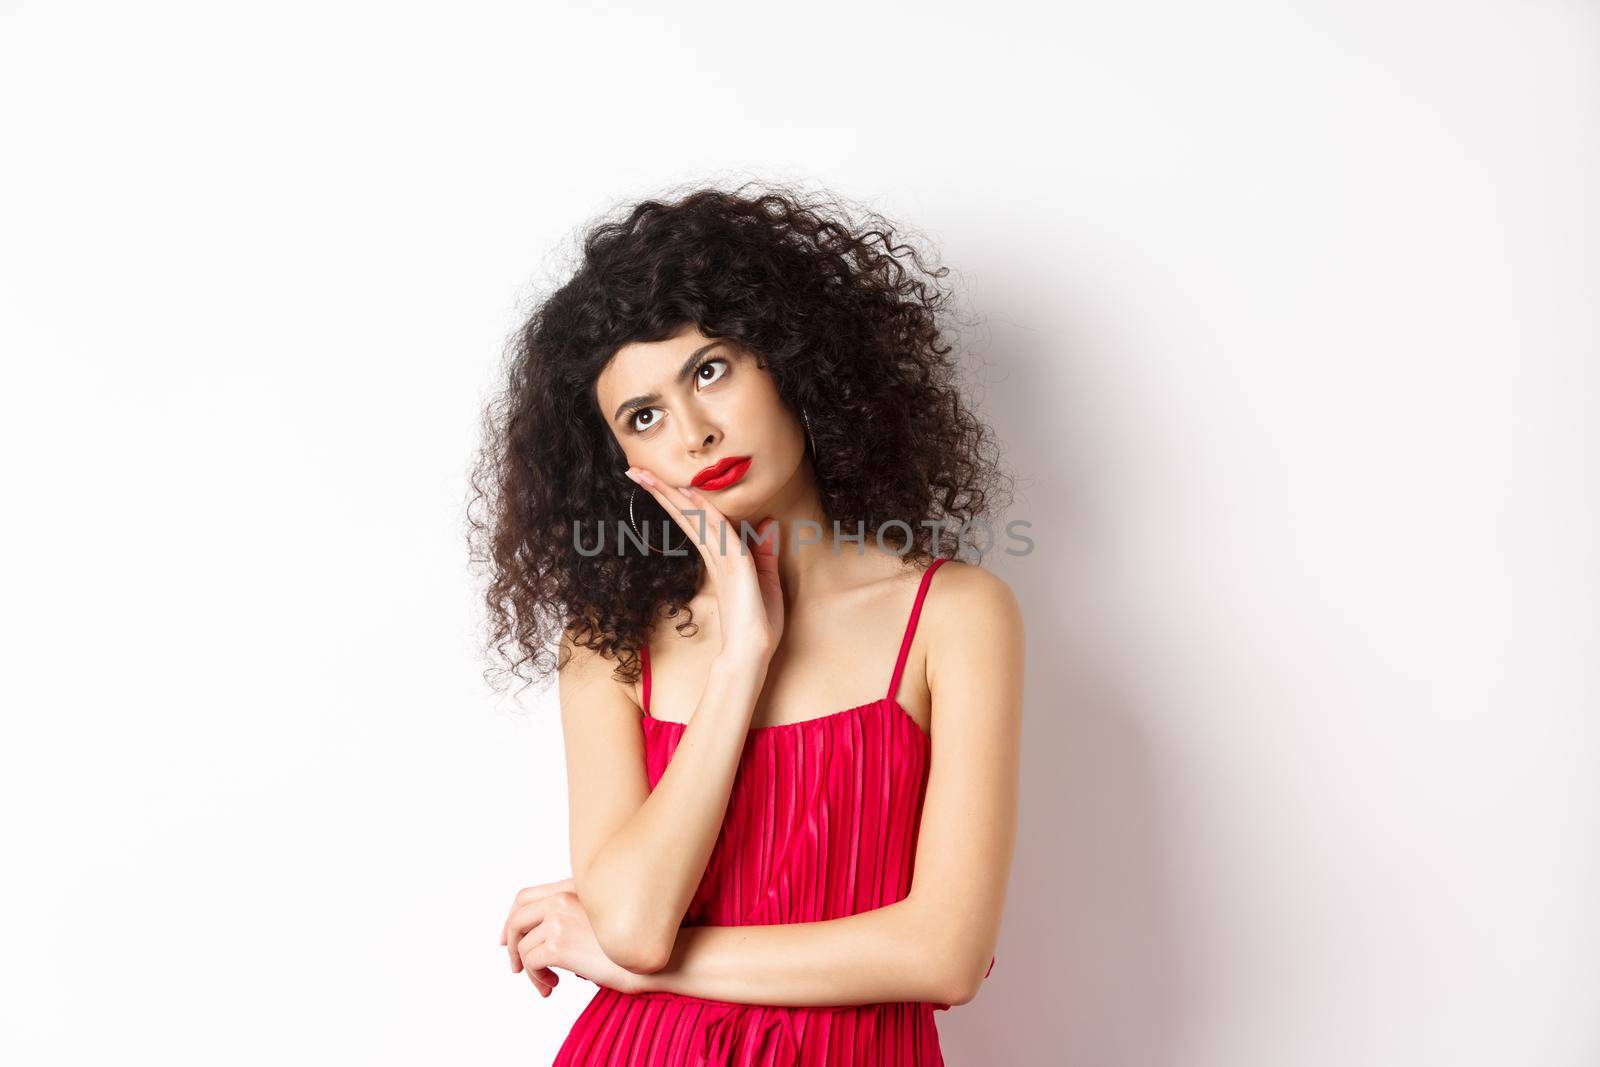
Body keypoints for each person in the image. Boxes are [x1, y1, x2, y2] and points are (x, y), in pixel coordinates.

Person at [471, 181, 1025, 1065]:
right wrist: (743, 657)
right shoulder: (609, 648)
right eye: (643, 417)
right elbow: (636, 926)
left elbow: (945, 955)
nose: (692, 432)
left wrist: (637, 971)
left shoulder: (953, 616)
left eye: (710, 370)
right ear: (623, 462)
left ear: (790, 359)